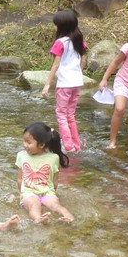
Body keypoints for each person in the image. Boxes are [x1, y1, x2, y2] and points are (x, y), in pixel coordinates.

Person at [40, 9, 87, 153]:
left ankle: (68, 146)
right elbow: (83, 60)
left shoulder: (60, 43)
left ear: (61, 26)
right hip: (76, 83)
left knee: (61, 115)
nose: (55, 27)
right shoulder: (78, 41)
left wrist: (47, 84)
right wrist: (78, 73)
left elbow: (56, 65)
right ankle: (76, 145)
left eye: (56, 24)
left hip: (65, 84)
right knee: (70, 115)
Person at [15, 121, 73, 223]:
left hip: (47, 193)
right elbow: (19, 179)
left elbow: (55, 182)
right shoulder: (21, 155)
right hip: (29, 193)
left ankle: (68, 216)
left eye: (29, 142)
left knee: (55, 205)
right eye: (24, 141)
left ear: (41, 145)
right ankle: (39, 219)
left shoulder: (53, 158)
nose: (25, 145)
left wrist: (52, 195)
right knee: (34, 205)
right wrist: (22, 195)